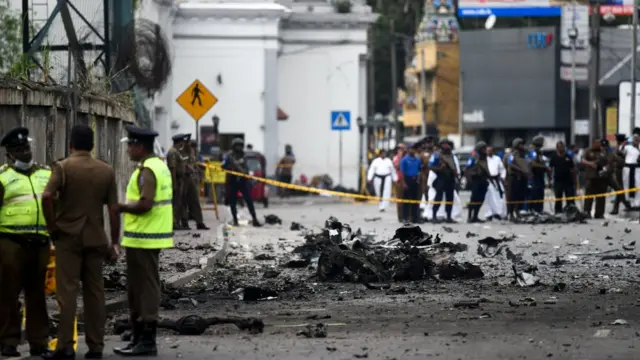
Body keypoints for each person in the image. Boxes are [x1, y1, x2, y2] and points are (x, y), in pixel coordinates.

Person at [41, 124, 121, 360]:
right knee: (95, 293)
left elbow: (46, 196)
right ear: (93, 145)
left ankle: (65, 346)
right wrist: (114, 242)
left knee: (67, 293)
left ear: (71, 144)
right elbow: (114, 210)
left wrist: (52, 227)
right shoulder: (105, 171)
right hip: (96, 240)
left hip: (68, 238)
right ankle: (96, 346)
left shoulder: (63, 167)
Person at [113, 126, 174, 357]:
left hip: (145, 238)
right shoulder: (158, 166)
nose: (128, 150)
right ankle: (138, 337)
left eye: (130, 145)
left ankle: (147, 340)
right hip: (145, 236)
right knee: (136, 288)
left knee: (145, 288)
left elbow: (146, 203)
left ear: (139, 146)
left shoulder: (148, 170)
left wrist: (120, 207)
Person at [0, 127, 52, 358]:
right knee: (8, 294)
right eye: (18, 150)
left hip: (39, 242)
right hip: (11, 243)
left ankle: (38, 342)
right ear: (9, 155)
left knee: (37, 295)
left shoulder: (45, 174)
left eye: (26, 148)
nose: (24, 153)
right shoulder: (2, 177)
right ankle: (8, 342)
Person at [222, 138, 262, 227]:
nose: (239, 147)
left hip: (243, 181)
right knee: (233, 201)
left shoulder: (244, 156)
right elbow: (223, 166)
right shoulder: (229, 156)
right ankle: (235, 220)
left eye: (240, 145)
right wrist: (230, 167)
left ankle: (254, 218)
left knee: (249, 200)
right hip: (232, 181)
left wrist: (247, 174)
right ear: (233, 146)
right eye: (237, 145)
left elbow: (246, 167)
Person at [180, 136, 208, 230]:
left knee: (195, 201)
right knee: (183, 202)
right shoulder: (181, 153)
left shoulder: (195, 155)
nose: (193, 147)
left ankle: (199, 222)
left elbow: (201, 166)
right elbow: (182, 166)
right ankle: (184, 223)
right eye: (192, 145)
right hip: (183, 179)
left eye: (195, 146)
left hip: (192, 179)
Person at [429, 138, 457, 223]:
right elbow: (430, 166)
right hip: (441, 178)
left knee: (450, 199)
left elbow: (454, 166)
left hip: (450, 179)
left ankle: (448, 216)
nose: (446, 145)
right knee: (438, 198)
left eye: (447, 144)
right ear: (441, 145)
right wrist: (439, 168)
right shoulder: (436, 155)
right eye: (444, 144)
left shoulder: (451, 155)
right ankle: (434, 216)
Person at [581, 137, 609, 219]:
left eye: (599, 143)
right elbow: (582, 160)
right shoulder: (588, 151)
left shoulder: (603, 151)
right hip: (590, 177)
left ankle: (599, 213)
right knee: (589, 196)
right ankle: (587, 212)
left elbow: (607, 161)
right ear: (593, 143)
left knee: (601, 197)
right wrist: (590, 163)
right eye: (597, 143)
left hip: (600, 177)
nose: (599, 144)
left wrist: (606, 168)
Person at [167, 134, 188, 229]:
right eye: (182, 142)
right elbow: (173, 168)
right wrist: (174, 183)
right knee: (175, 203)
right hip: (176, 180)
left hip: (180, 180)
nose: (183, 143)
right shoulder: (172, 152)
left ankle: (176, 222)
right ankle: (173, 223)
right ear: (179, 142)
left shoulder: (177, 152)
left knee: (178, 202)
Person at [548, 141, 576, 214]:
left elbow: (572, 169)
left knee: (570, 197)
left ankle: (571, 212)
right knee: (558, 198)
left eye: (562, 147)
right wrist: (550, 179)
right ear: (557, 148)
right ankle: (558, 212)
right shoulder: (553, 157)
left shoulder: (568, 157)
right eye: (560, 147)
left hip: (568, 181)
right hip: (558, 181)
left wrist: (574, 180)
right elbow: (550, 169)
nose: (561, 148)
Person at [465, 141, 490, 223]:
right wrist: (469, 181)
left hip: (483, 181)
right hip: (475, 180)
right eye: (483, 148)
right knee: (473, 199)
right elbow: (467, 169)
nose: (485, 150)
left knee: (481, 199)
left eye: (485, 148)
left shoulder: (485, 157)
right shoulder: (474, 158)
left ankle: (475, 216)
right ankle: (469, 217)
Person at [506, 138, 531, 220]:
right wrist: (521, 171)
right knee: (512, 196)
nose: (522, 146)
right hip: (514, 177)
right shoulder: (512, 154)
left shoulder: (524, 154)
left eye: (522, 144)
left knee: (520, 196)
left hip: (523, 178)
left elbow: (528, 164)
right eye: (520, 144)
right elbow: (510, 164)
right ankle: (511, 214)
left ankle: (517, 212)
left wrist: (528, 173)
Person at [528, 136, 551, 213]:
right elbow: (533, 164)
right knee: (535, 193)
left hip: (540, 176)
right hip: (534, 176)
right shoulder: (533, 152)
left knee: (541, 193)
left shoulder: (540, 152)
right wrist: (544, 166)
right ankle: (533, 210)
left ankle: (539, 210)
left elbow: (543, 161)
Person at [400, 143, 422, 223]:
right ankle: (405, 218)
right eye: (411, 149)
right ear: (408, 150)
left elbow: (420, 170)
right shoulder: (404, 160)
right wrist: (403, 183)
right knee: (406, 200)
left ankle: (414, 217)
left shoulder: (417, 159)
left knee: (415, 200)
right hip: (407, 179)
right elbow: (402, 172)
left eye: (413, 149)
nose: (412, 150)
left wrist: (419, 178)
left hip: (415, 180)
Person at [485, 146, 507, 220]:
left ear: (493, 151)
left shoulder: (497, 159)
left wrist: (503, 177)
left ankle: (498, 213)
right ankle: (489, 214)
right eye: (488, 151)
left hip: (496, 179)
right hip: (488, 180)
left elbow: (502, 169)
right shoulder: (484, 159)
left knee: (499, 197)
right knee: (488, 198)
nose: (489, 152)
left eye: (490, 151)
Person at [612, 134, 631, 214]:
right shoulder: (620, 146)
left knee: (619, 188)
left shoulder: (623, 147)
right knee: (619, 188)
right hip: (618, 169)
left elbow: (623, 156)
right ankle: (625, 205)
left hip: (621, 170)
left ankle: (622, 206)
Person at [621, 134, 640, 209]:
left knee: (638, 185)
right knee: (627, 185)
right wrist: (623, 145)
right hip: (628, 168)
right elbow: (621, 153)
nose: (635, 140)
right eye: (634, 139)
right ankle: (629, 204)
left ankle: (637, 203)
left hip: (637, 168)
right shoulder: (627, 147)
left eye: (637, 139)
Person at [392, 144, 406, 222]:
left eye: (402, 149)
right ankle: (400, 217)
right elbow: (397, 166)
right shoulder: (396, 158)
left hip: (406, 180)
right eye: (399, 149)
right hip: (399, 181)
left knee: (406, 200)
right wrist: (401, 158)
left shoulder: (406, 157)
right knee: (400, 200)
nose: (401, 150)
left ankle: (407, 216)